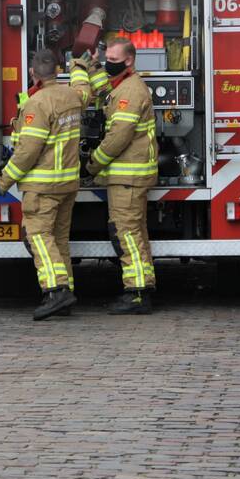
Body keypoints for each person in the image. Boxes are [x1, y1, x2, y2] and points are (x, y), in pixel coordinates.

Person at [0, 49, 94, 320]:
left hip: (42, 186)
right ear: (58, 70)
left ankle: (56, 290)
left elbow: (28, 151)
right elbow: (84, 89)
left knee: (38, 237)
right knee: (59, 240)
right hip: (67, 183)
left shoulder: (36, 103)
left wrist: (6, 179)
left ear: (32, 73)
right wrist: (79, 66)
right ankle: (66, 294)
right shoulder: (73, 96)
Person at [85, 37, 158, 314]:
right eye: (107, 60)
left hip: (129, 177)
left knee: (126, 234)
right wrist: (88, 67)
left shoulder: (130, 92)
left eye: (113, 62)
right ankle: (140, 288)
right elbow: (103, 88)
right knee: (133, 233)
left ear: (130, 60)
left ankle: (137, 293)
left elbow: (117, 138)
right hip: (128, 176)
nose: (108, 65)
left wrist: (92, 164)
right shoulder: (122, 86)